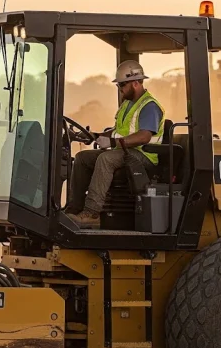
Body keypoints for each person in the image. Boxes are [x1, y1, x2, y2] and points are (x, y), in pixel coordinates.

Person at [67, 60, 165, 228]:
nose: (120, 89)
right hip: (126, 151)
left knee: (106, 159)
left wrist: (112, 142)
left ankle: (91, 213)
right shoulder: (127, 104)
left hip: (144, 155)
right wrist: (95, 135)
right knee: (82, 157)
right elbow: (118, 130)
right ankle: (75, 209)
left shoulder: (149, 106)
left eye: (122, 85)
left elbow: (144, 136)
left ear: (135, 83)